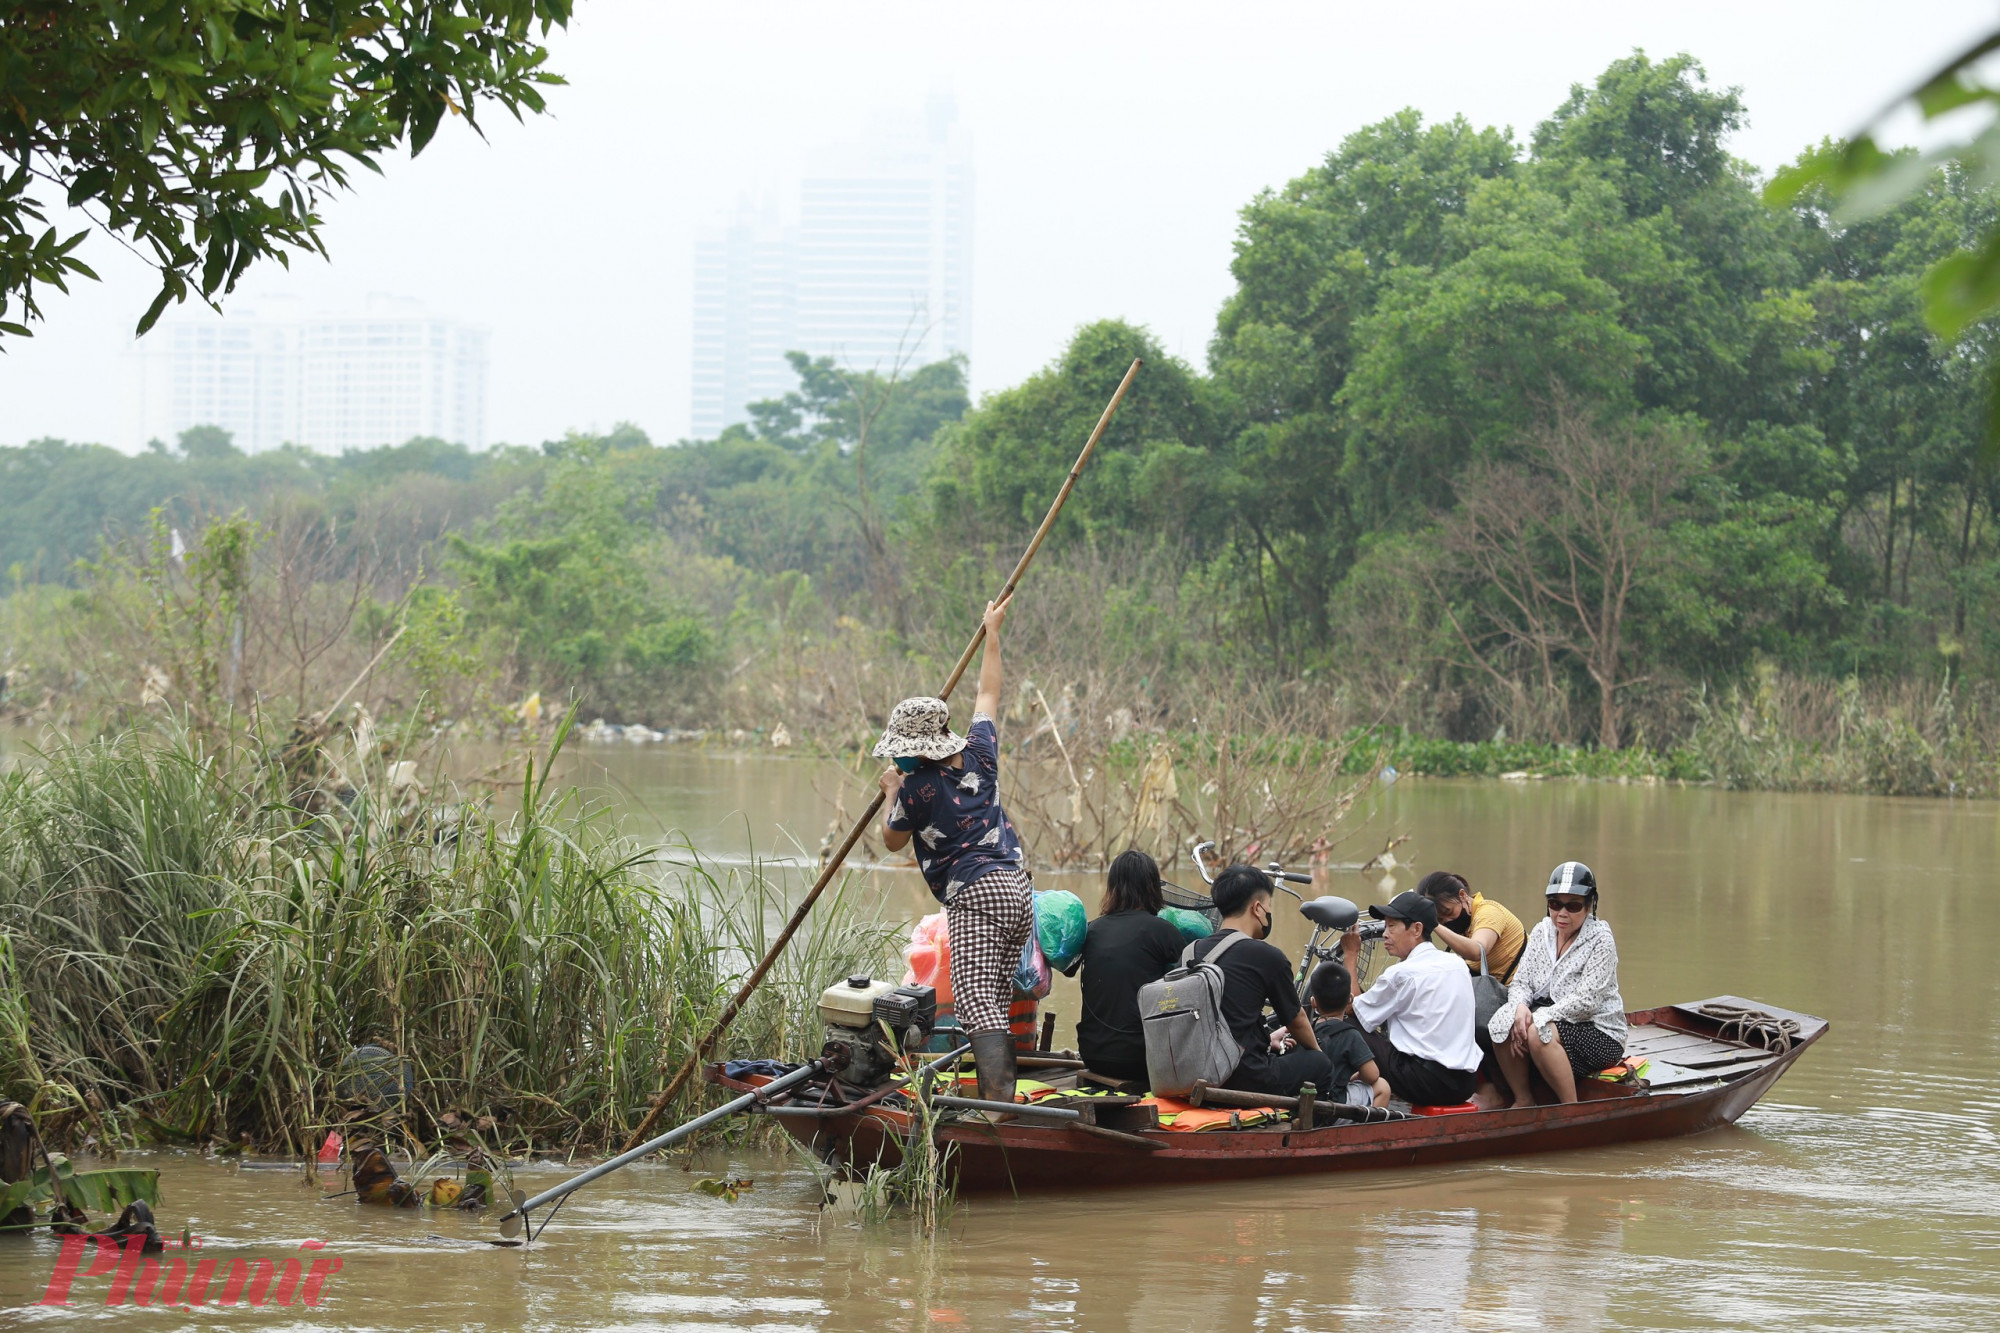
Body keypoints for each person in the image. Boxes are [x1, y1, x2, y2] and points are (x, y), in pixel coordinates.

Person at [878, 595, 1030, 1109]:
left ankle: (996, 1107)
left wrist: (891, 793)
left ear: (913, 749)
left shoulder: (917, 788)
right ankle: (1000, 1094)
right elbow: (988, 692)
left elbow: (892, 840)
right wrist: (993, 632)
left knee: (972, 1001)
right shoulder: (979, 753)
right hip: (1017, 891)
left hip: (975, 896)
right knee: (998, 998)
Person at [1489, 861, 1627, 1107]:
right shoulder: (1542, 931)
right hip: (1553, 1019)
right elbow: (1521, 982)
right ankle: (1523, 1098)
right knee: (1502, 1021)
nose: (1562, 913)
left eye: (1573, 906)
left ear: (1589, 906)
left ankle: (1569, 1106)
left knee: (1537, 1030)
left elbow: (1587, 1002)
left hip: (1598, 1030)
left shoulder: (1601, 940)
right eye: (1555, 904)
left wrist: (1539, 1016)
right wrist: (1520, 1007)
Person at [1190, 864, 1330, 1098]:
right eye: (1268, 907)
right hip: (1245, 1077)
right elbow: (1296, 1020)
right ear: (1257, 908)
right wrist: (1318, 1055)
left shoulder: (1191, 952)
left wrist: (1265, 1040)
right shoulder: (1266, 956)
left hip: (1197, 1073)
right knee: (1319, 1065)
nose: (1268, 914)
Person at [1341, 891, 1481, 1106]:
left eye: (1392, 926)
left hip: (1427, 1083)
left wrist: (1350, 954)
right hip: (1465, 1084)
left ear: (1417, 929)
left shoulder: (1403, 974)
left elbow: (1352, 1009)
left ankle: (1340, 1094)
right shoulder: (1456, 963)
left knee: (1342, 1024)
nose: (1385, 934)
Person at [1076, 849, 1188, 1081]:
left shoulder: (1092, 930)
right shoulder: (1164, 931)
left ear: (1113, 887)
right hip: (1142, 1059)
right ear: (1153, 887)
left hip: (1092, 1054)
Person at [1306, 962, 1392, 1108]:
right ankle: (1367, 1130)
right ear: (1350, 999)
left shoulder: (1308, 1030)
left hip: (1306, 1100)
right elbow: (1372, 1075)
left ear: (1313, 1002)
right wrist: (1358, 1076)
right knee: (1382, 1086)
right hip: (1332, 1108)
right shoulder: (1350, 1035)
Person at [1417, 871, 1526, 984]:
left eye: (1448, 912)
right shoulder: (1466, 926)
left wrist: (1434, 924)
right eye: (1440, 919)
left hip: (1522, 992)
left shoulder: (1489, 912)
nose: (1447, 921)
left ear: (1462, 895)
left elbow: (1478, 951)